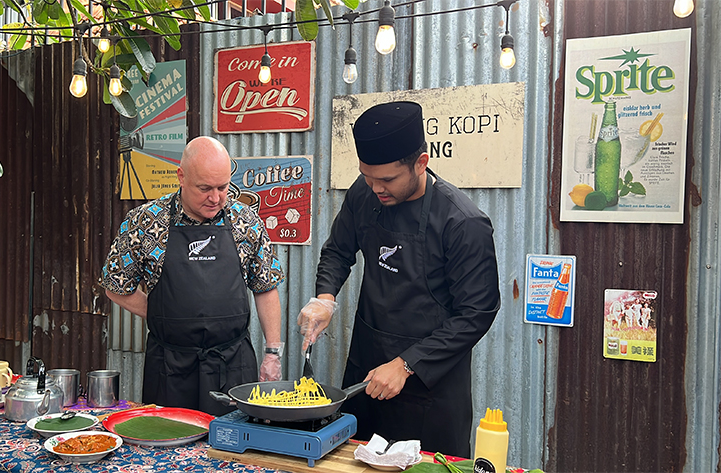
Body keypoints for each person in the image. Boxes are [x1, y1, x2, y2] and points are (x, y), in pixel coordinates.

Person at [297, 101, 501, 457]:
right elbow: (338, 251)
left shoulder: (462, 222)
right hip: (367, 370)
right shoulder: (365, 194)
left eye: (387, 179)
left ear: (420, 163)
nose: (376, 188)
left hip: (430, 389)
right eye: (367, 177)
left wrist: (407, 364)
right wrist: (324, 298)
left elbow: (476, 313)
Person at [101, 136, 285, 416]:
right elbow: (115, 285)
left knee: (233, 450)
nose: (216, 198)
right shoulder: (145, 222)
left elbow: (265, 286)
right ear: (181, 177)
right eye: (205, 188)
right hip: (169, 367)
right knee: (167, 449)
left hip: (232, 363)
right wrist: (163, 313)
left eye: (223, 187)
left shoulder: (245, 221)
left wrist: (273, 353)